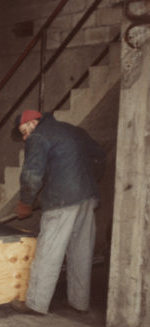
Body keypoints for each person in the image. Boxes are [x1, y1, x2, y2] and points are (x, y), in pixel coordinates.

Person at [11, 109, 106, 315]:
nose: (25, 137)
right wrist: (86, 183)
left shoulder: (38, 136)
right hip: (87, 198)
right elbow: (99, 156)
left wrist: (26, 202)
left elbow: (32, 174)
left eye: (24, 131)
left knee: (48, 252)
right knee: (81, 252)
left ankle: (36, 303)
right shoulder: (72, 130)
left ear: (34, 123)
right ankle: (79, 302)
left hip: (62, 202)